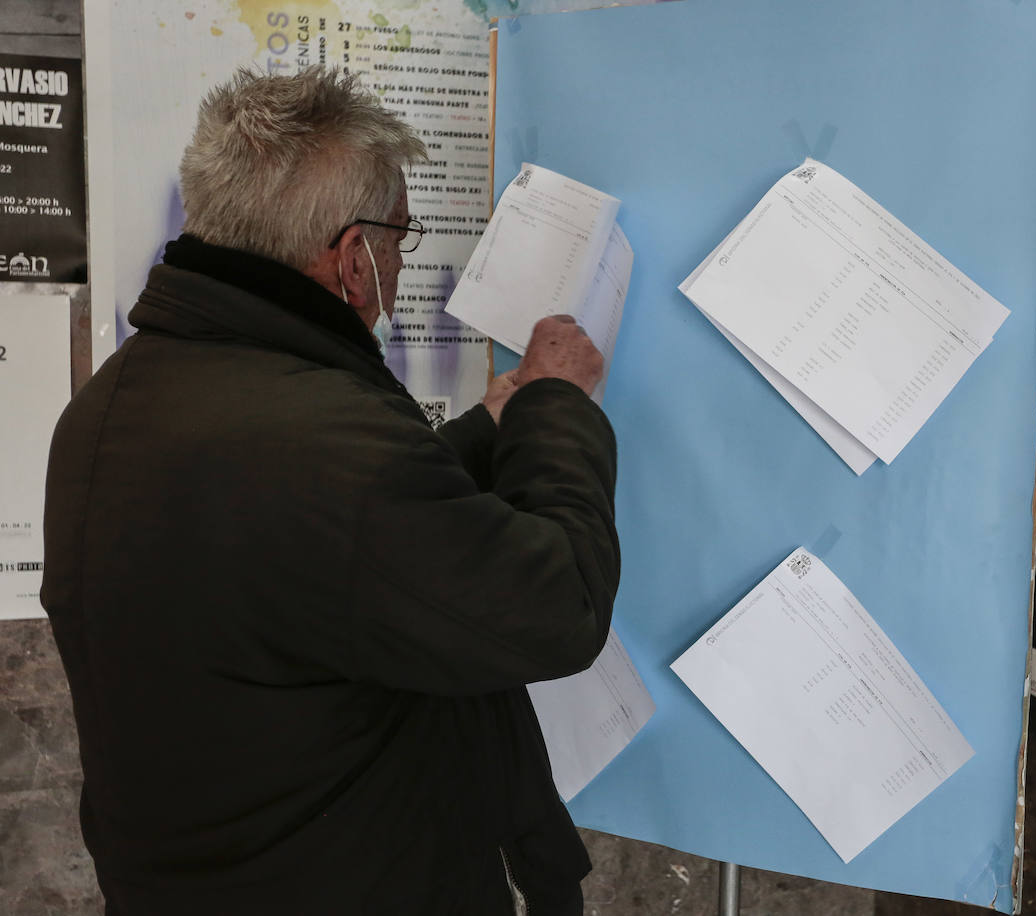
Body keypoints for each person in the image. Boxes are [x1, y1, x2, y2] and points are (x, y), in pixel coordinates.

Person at [42, 66, 618, 916]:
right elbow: (557, 606)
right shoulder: (322, 449)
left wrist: (494, 424)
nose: (397, 260)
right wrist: (557, 407)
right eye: (399, 239)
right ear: (353, 260)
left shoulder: (116, 402)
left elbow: (328, 548)